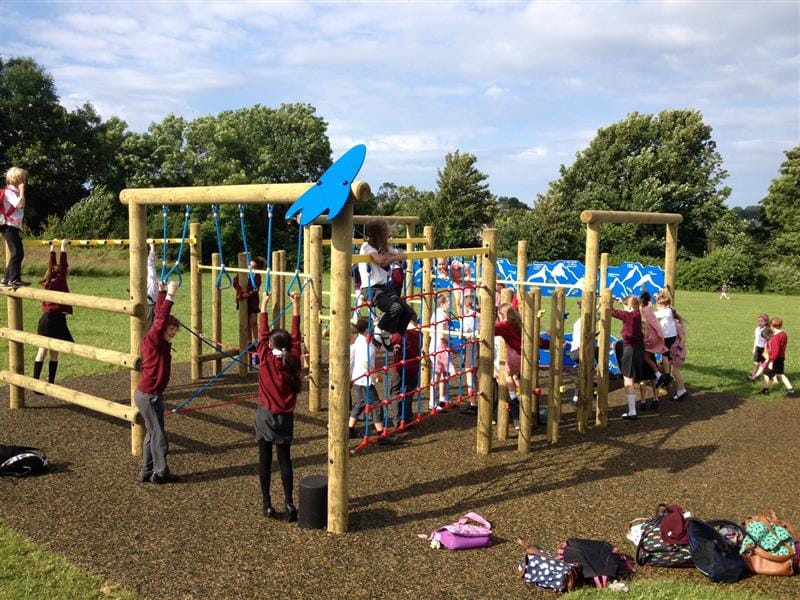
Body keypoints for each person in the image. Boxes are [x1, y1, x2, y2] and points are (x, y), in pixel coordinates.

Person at [255, 291, 302, 521]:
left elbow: (261, 334)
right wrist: (296, 307)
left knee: (265, 459)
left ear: (271, 344)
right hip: (285, 417)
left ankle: (267, 505)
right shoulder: (293, 362)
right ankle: (289, 503)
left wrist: (263, 305)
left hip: (265, 416)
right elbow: (296, 338)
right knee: (285, 460)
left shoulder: (265, 359)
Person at [135, 280, 181, 484]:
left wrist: (161, 292)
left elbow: (160, 319)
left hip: (150, 394)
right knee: (159, 436)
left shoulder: (159, 340)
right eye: (171, 329)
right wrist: (170, 296)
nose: (173, 333)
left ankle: (147, 471)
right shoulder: (152, 339)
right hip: (149, 395)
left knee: (151, 434)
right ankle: (161, 473)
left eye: (175, 330)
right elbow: (160, 319)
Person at [358, 219, 416, 335]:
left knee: (408, 312)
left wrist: (390, 258)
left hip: (384, 287)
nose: (388, 237)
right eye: (385, 234)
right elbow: (380, 260)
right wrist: (388, 257)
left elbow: (403, 255)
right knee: (396, 308)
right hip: (371, 289)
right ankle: (380, 329)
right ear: (377, 236)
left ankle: (393, 335)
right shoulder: (366, 247)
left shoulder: (384, 247)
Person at [32, 239, 73, 390]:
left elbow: (52, 266)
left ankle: (35, 382)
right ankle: (51, 382)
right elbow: (62, 266)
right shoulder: (60, 282)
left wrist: (52, 249)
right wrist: (62, 248)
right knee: (54, 352)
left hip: (45, 319)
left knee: (42, 351)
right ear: (61, 272)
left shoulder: (48, 281)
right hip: (56, 320)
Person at [348, 317, 389, 441]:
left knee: (360, 403)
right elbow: (366, 363)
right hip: (364, 380)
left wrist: (388, 349)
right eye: (371, 326)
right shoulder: (364, 343)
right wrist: (377, 375)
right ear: (367, 329)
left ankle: (350, 430)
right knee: (376, 405)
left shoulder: (362, 339)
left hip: (357, 378)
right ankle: (381, 436)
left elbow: (375, 349)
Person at [611, 295, 645, 420]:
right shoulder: (637, 313)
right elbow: (627, 311)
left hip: (630, 348)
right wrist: (622, 303)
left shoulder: (628, 316)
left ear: (630, 306)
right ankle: (634, 408)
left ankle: (632, 411)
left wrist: (606, 302)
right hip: (639, 348)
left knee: (628, 380)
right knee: (633, 377)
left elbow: (612, 311)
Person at [390, 312, 421, 428]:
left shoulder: (401, 334)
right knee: (409, 392)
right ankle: (407, 417)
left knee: (396, 392)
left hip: (400, 367)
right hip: (413, 366)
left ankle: (398, 419)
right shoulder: (419, 333)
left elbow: (391, 343)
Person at [0, 166, 30, 287]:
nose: (24, 181)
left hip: (12, 226)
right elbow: (20, 204)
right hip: (9, 226)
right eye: (23, 178)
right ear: (16, 179)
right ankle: (14, 279)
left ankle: (6, 279)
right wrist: (22, 190)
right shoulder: (10, 192)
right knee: (18, 253)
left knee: (15, 252)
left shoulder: (14, 192)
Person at [496, 302, 522, 429]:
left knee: (507, 374)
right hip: (524, 356)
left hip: (514, 356)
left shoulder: (505, 325)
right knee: (515, 376)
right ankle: (521, 394)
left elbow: (493, 330)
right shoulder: (518, 322)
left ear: (502, 315)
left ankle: (513, 397)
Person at [429, 293, 456, 410]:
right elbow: (442, 335)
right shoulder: (442, 316)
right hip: (439, 348)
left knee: (442, 375)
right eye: (448, 302)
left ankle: (442, 399)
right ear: (442, 304)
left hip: (436, 346)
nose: (450, 304)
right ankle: (432, 402)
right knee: (440, 374)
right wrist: (451, 344)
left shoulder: (436, 314)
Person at [233, 256, 266, 346]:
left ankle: (257, 341)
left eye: (253, 267)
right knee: (245, 323)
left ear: (258, 269)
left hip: (253, 301)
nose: (250, 269)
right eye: (249, 266)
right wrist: (241, 292)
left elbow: (255, 288)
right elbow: (235, 283)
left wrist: (247, 293)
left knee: (253, 322)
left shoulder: (257, 276)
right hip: (243, 300)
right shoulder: (242, 273)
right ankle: (249, 342)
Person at [761, 317, 795, 397]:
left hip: (775, 358)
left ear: (772, 326)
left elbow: (775, 351)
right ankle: (790, 389)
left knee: (766, 373)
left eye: (770, 325)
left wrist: (771, 362)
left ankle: (765, 390)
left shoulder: (775, 338)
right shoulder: (783, 334)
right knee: (780, 374)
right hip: (781, 357)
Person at [748, 313, 770, 381]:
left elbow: (768, 341)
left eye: (762, 321)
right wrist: (754, 347)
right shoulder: (757, 329)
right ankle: (753, 375)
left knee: (764, 364)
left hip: (764, 349)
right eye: (758, 321)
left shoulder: (767, 330)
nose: (759, 323)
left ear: (766, 322)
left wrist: (765, 350)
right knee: (756, 363)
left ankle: (770, 376)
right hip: (758, 348)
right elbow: (756, 339)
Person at [146, 243, 159, 329]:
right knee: (150, 325)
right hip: (150, 303)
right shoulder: (149, 272)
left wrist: (152, 248)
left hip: (155, 302)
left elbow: (151, 262)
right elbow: (150, 262)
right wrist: (152, 247)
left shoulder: (151, 273)